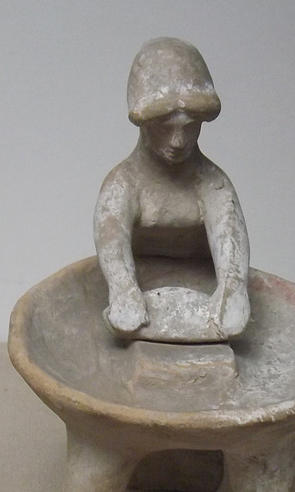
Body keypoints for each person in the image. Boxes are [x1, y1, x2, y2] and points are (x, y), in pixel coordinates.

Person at [94, 37, 250, 340]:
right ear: (143, 124)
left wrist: (233, 288)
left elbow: (230, 241)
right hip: (139, 295)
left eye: (189, 127)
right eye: (164, 127)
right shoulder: (123, 184)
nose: (178, 141)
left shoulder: (212, 183)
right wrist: (124, 289)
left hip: (202, 292)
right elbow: (112, 243)